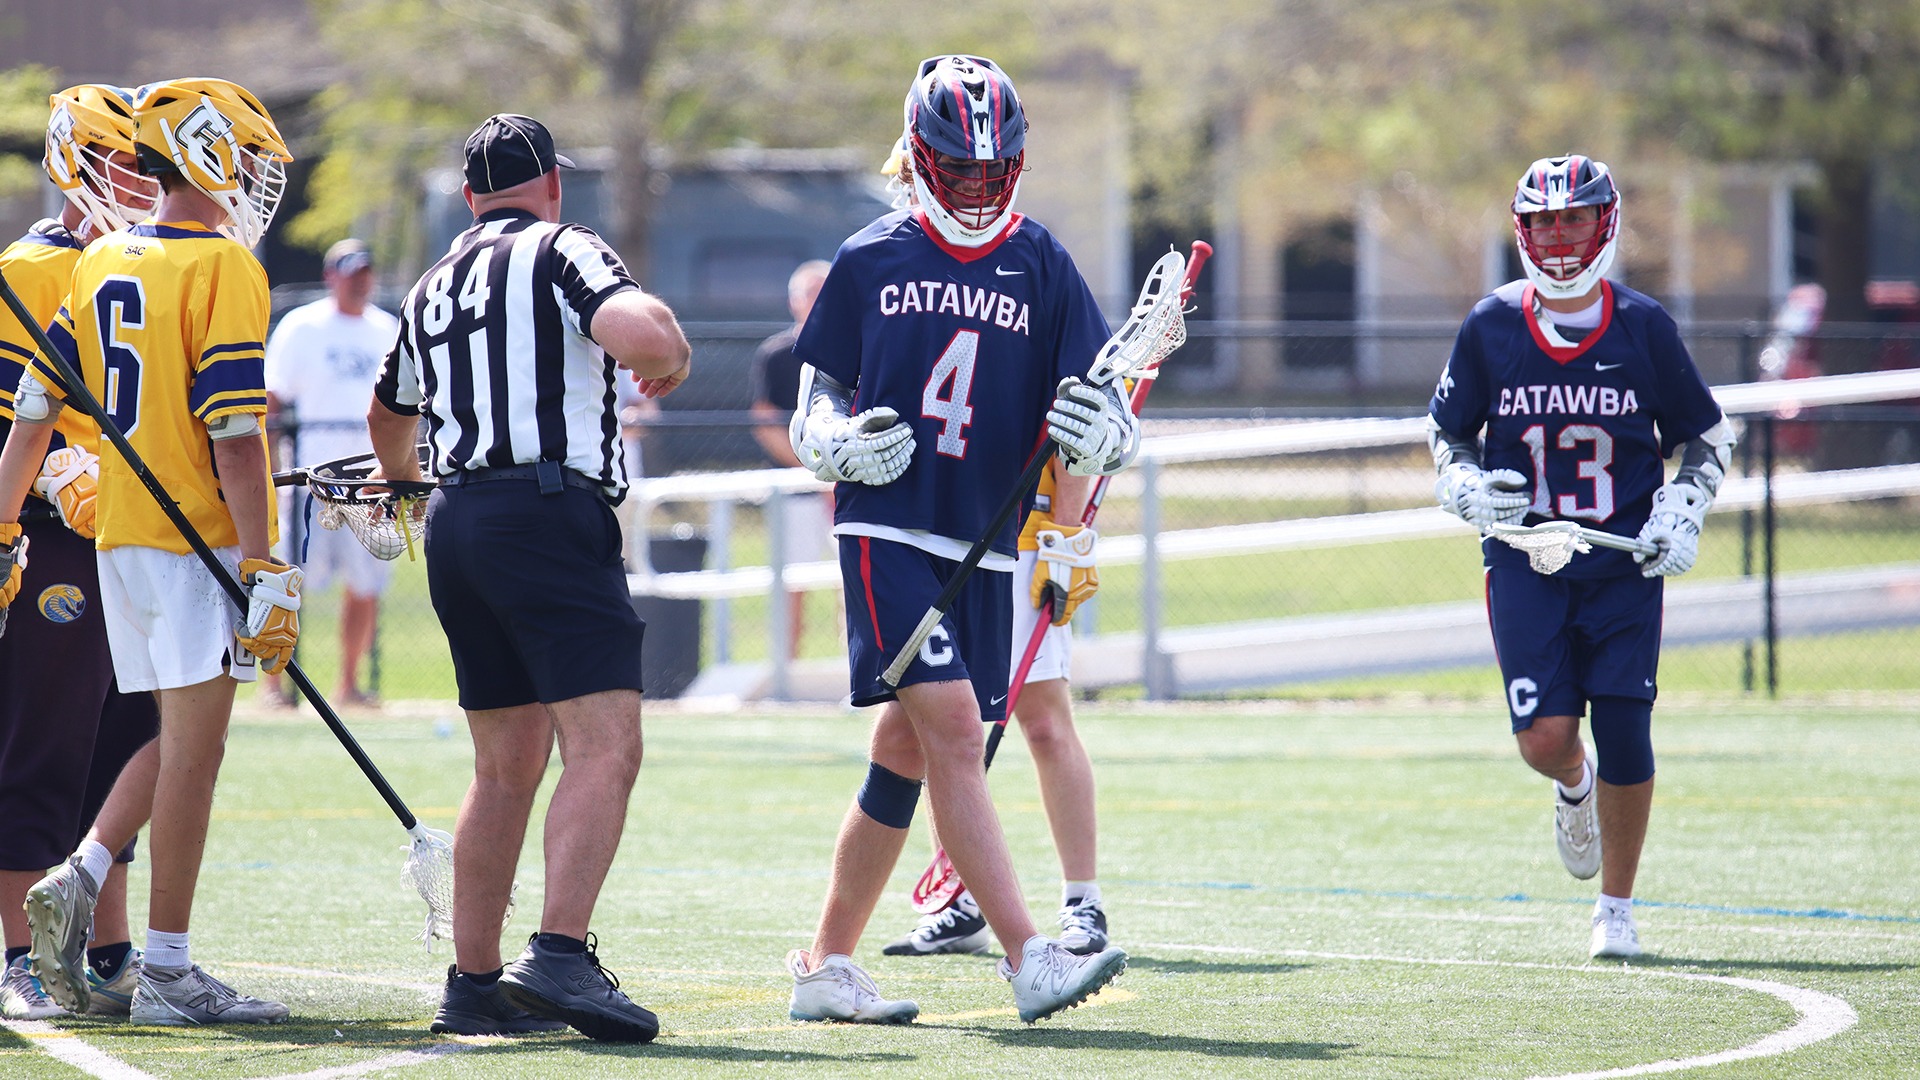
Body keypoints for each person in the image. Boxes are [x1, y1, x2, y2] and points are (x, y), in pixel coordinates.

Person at [782, 54, 1133, 1025]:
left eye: (992, 172)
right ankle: (1029, 955)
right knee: (950, 730)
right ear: (923, 160)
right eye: (960, 171)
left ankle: (825, 967)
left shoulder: (1044, 263)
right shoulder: (870, 258)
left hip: (984, 543)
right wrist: (838, 441)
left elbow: (1097, 415)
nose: (977, 190)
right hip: (887, 529)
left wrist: (1101, 448)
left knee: (902, 748)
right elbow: (817, 406)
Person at [367, 112, 691, 1042]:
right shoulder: (562, 247)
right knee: (605, 745)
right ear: (552, 183)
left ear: (471, 199)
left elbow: (388, 415)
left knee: (503, 766)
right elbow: (643, 334)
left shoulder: (429, 283)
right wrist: (668, 354)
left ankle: (472, 985)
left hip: (457, 519)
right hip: (548, 510)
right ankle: (556, 954)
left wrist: (403, 491)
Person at [0, 77, 300, 1023]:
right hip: (188, 541)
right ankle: (160, 967)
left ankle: (90, 888)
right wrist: (264, 565)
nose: (254, 179)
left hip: (120, 539)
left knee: (151, 737)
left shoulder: (97, 265)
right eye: (245, 161)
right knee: (177, 753)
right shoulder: (222, 266)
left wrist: (2, 519)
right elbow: (236, 437)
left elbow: (32, 416)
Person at [1426, 154, 1734, 959]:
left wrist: (1683, 508)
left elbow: (1707, 437)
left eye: (1574, 219)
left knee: (1628, 730)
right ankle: (1573, 786)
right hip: (1525, 557)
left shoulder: (1643, 326)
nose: (1559, 237)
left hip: (1623, 564)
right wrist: (1462, 485)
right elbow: (1447, 433)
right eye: (1544, 222)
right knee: (1544, 738)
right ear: (1522, 230)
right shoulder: (1491, 324)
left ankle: (1617, 909)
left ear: (1606, 222)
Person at [0, 83, 161, 1021]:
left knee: (125, 742)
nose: (135, 183)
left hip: (138, 540)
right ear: (73, 162)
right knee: (42, 742)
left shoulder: (146, 262)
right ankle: (18, 955)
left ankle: (107, 952)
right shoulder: (32, 266)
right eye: (119, 163)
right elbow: (8, 414)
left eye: (146, 166)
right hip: (56, 540)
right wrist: (55, 471)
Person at [884, 456, 1109, 958]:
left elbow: (1078, 428)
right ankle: (961, 902)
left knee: (1046, 723)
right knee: (933, 729)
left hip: (1024, 535)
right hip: (938, 533)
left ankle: (1083, 900)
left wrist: (1065, 538)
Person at [262, 238, 403, 708]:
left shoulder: (388, 330)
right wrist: (267, 462)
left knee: (365, 587)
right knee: (284, 582)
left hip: (370, 483)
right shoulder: (303, 327)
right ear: (331, 276)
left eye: (366, 272)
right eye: (350, 271)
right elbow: (273, 398)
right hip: (311, 478)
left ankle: (349, 684)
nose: (360, 280)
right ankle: (274, 687)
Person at [748, 260, 835, 655]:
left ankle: (858, 675)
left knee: (855, 582)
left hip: (846, 492)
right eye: (809, 292)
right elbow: (765, 423)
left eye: (825, 291)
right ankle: (785, 672)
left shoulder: (855, 349)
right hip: (797, 491)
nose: (818, 301)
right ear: (792, 301)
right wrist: (814, 471)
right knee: (791, 582)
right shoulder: (776, 354)